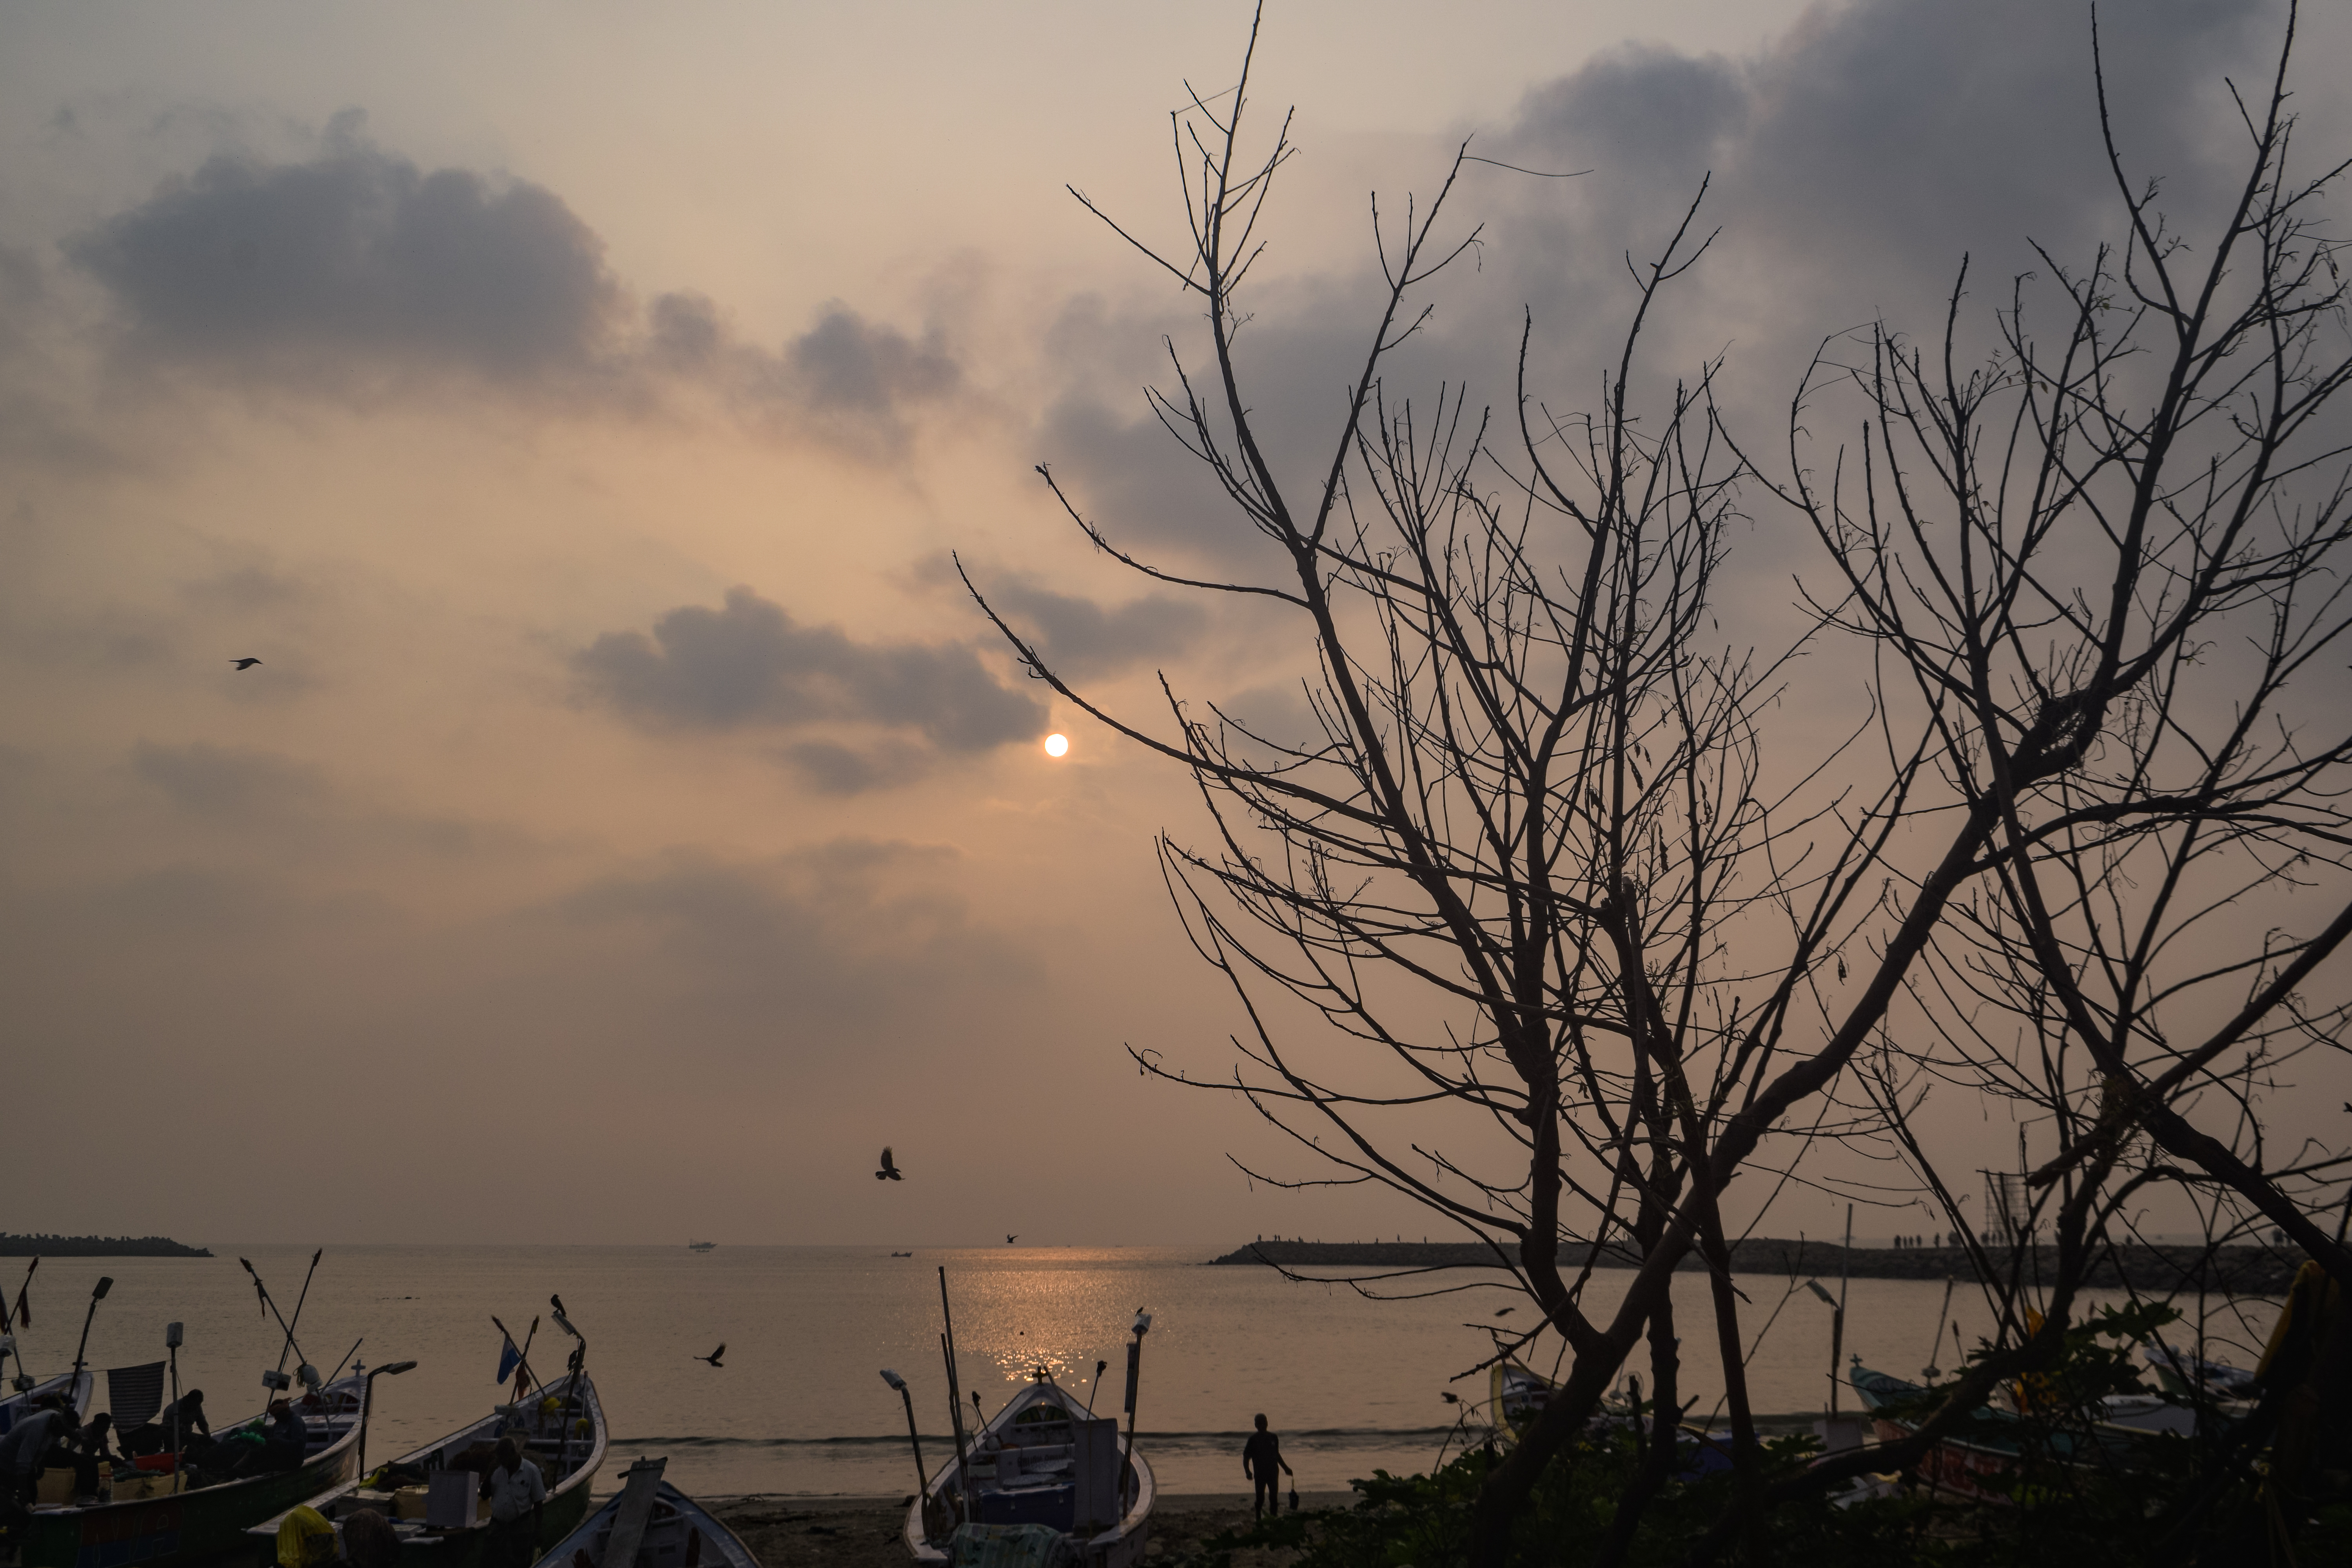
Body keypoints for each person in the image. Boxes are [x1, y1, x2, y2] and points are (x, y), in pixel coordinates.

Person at [0, 1395, 78, 1506]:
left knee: (33, 1495)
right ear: (58, 1424)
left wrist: (40, 1464)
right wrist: (22, 1490)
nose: (61, 1435)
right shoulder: (36, 1430)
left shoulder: (53, 1419)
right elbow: (22, 1463)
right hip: (7, 1467)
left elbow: (43, 1446)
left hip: (29, 1464)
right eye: (62, 1432)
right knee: (17, 1502)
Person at [481, 1437, 544, 1568]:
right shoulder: (497, 1470)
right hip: (497, 1526)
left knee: (518, 1564)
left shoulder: (531, 1471)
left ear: (513, 1453)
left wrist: (538, 1529)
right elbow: (484, 1495)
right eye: (499, 1458)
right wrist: (489, 1474)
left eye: (503, 1457)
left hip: (520, 1526)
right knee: (488, 1563)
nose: (501, 1461)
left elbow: (539, 1503)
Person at [122, 1388, 208, 1457]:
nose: (196, 1407)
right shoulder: (173, 1411)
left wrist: (207, 1434)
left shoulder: (197, 1407)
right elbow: (168, 1433)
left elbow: (202, 1423)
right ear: (189, 1400)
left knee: (209, 1442)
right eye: (195, 1405)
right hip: (175, 1438)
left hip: (189, 1435)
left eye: (198, 1405)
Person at [1241, 1413, 1292, 1519]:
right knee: (1260, 1498)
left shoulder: (1273, 1438)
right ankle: (1258, 1517)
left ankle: (1273, 1518)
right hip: (1260, 1473)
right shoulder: (1253, 1440)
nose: (1262, 1425)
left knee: (1274, 1497)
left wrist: (1286, 1468)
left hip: (1273, 1472)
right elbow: (1246, 1458)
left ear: (1267, 1423)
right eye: (1259, 1423)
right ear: (1256, 1425)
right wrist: (1248, 1472)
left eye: (1264, 1423)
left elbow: (1277, 1455)